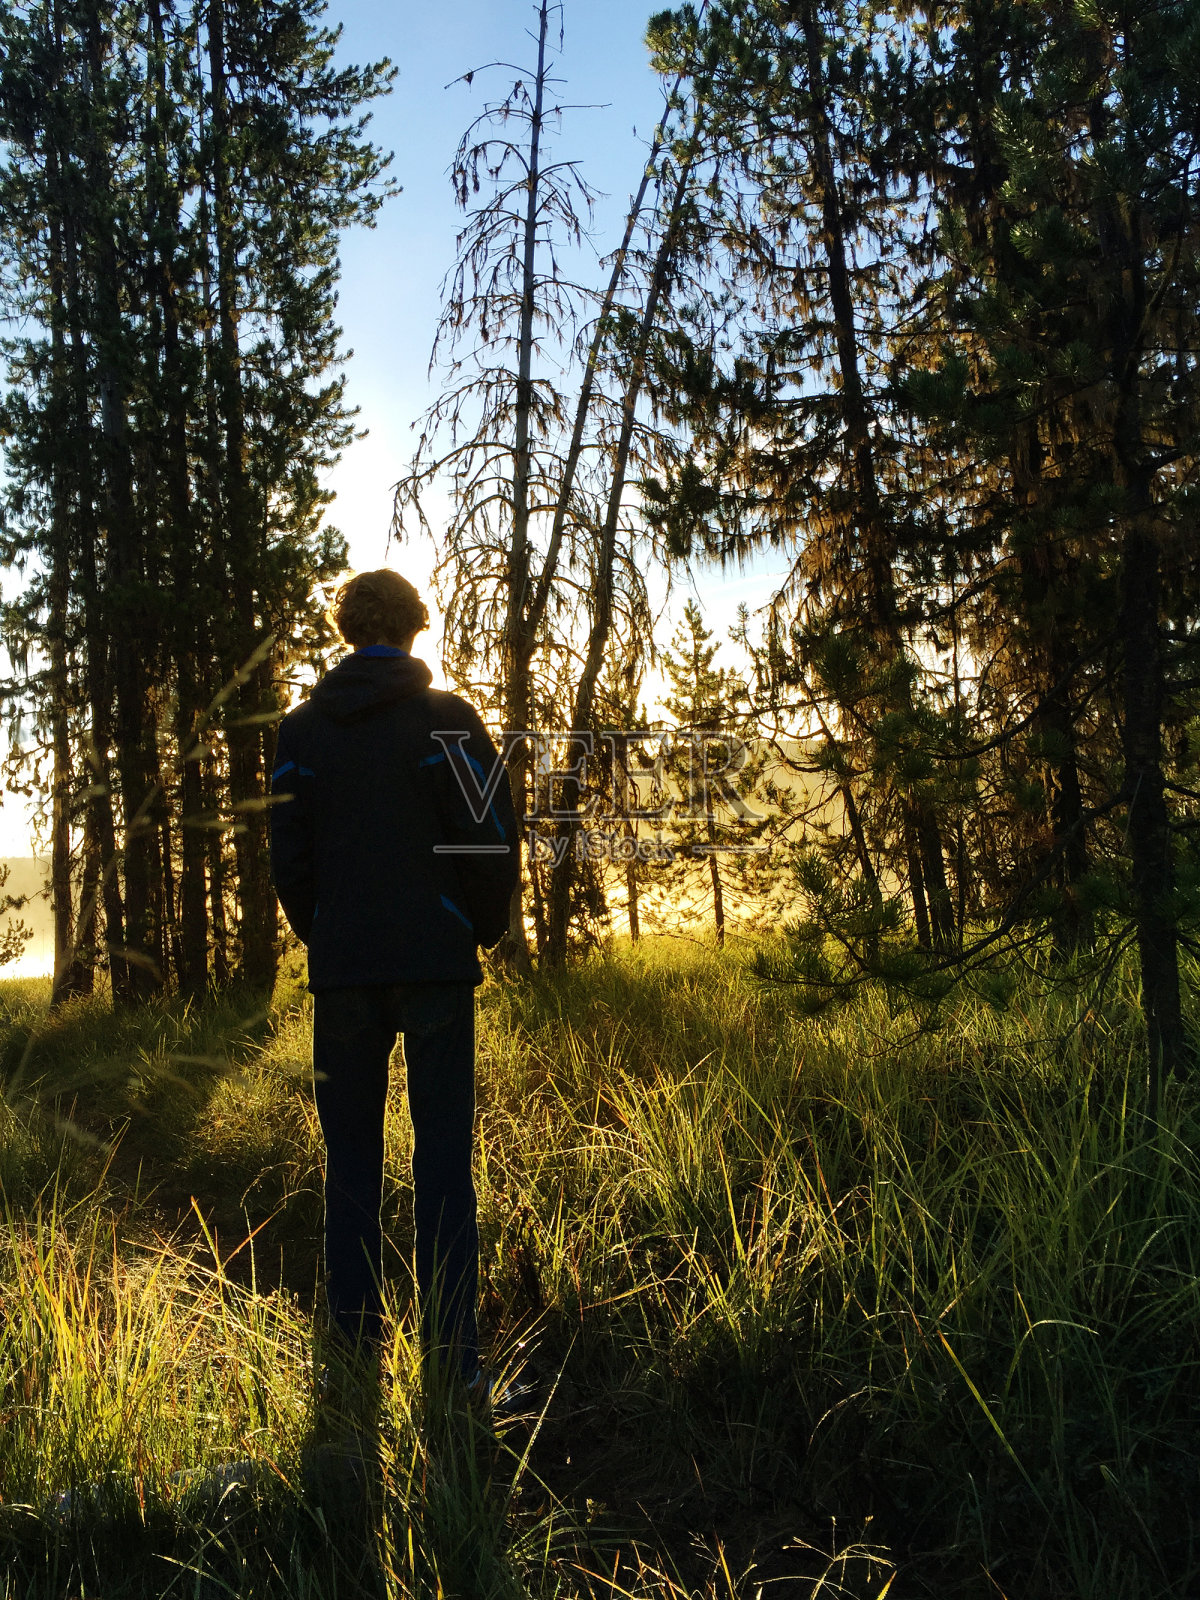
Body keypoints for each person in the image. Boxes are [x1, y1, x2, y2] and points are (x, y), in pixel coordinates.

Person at [269, 569, 518, 1397]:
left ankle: (351, 1368)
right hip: (437, 969)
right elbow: (488, 842)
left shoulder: (301, 730)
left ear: (349, 631)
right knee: (444, 1165)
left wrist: (331, 933)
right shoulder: (450, 719)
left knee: (351, 1167)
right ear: (415, 628)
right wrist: (473, 928)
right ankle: (455, 1374)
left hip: (344, 975)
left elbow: (289, 863)